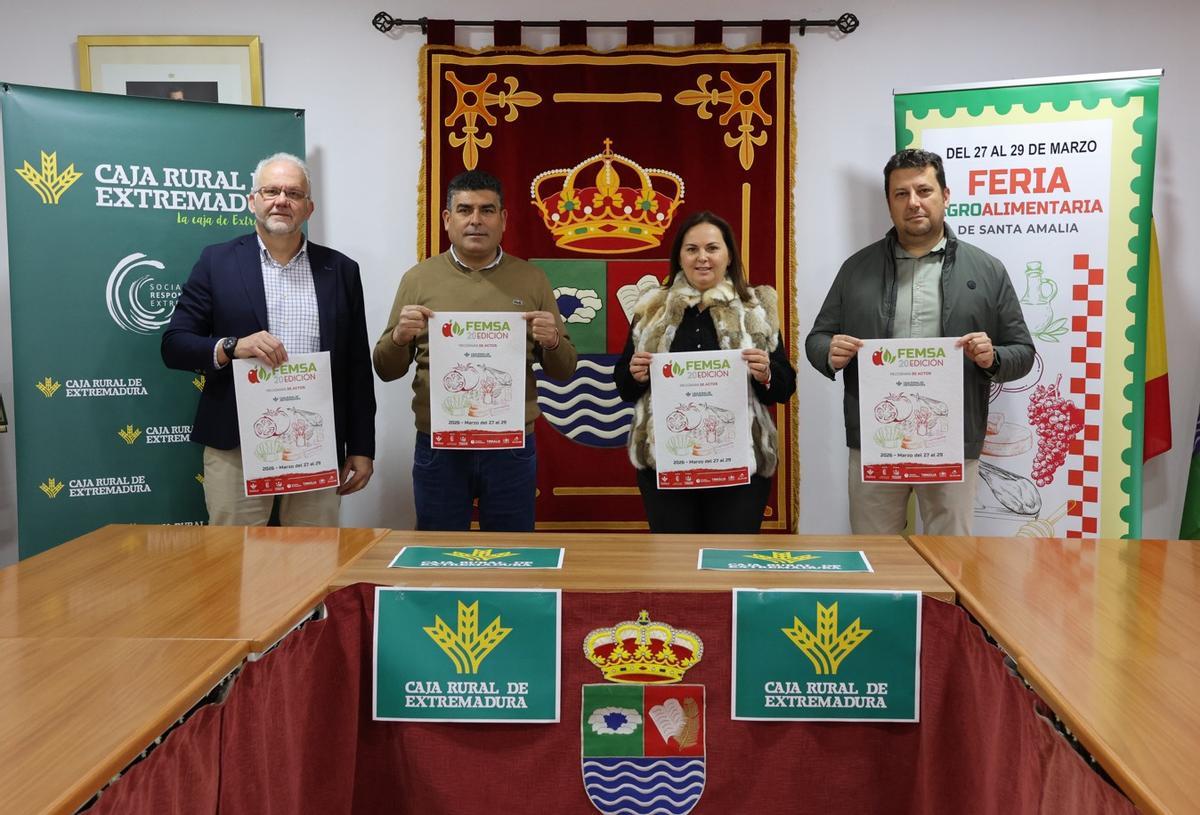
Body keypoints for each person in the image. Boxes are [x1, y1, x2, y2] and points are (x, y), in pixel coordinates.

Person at [805, 149, 1035, 535]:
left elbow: (1023, 352)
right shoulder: (856, 269)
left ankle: (941, 601)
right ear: (889, 202)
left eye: (924, 190)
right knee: (875, 553)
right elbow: (817, 339)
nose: (913, 202)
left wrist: (992, 357)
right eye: (901, 194)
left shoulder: (987, 269)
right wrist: (828, 352)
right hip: (877, 440)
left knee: (951, 558)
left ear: (945, 196)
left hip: (952, 442)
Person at [162, 152, 376, 526]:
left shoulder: (340, 269)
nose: (282, 200)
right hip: (237, 443)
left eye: (293, 193)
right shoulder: (217, 262)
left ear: (308, 208)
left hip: (315, 439)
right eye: (271, 190)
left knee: (313, 559)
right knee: (235, 563)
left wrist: (361, 447)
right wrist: (232, 346)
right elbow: (175, 344)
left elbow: (357, 365)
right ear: (253, 201)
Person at [373, 169, 577, 531]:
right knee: (437, 552)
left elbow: (564, 370)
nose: (476, 221)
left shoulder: (532, 279)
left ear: (503, 219)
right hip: (440, 446)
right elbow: (385, 368)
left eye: (487, 210)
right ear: (448, 220)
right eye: (465, 210)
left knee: (512, 553)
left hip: (510, 446)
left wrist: (553, 341)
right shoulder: (418, 279)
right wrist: (400, 337)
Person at [614, 210, 796, 533]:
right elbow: (625, 386)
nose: (702, 258)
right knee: (674, 572)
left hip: (739, 471)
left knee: (729, 570)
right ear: (679, 257)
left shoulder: (756, 307)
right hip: (667, 467)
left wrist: (767, 373)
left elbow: (784, 387)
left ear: (728, 256)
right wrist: (634, 373)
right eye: (692, 249)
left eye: (712, 248)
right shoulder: (651, 308)